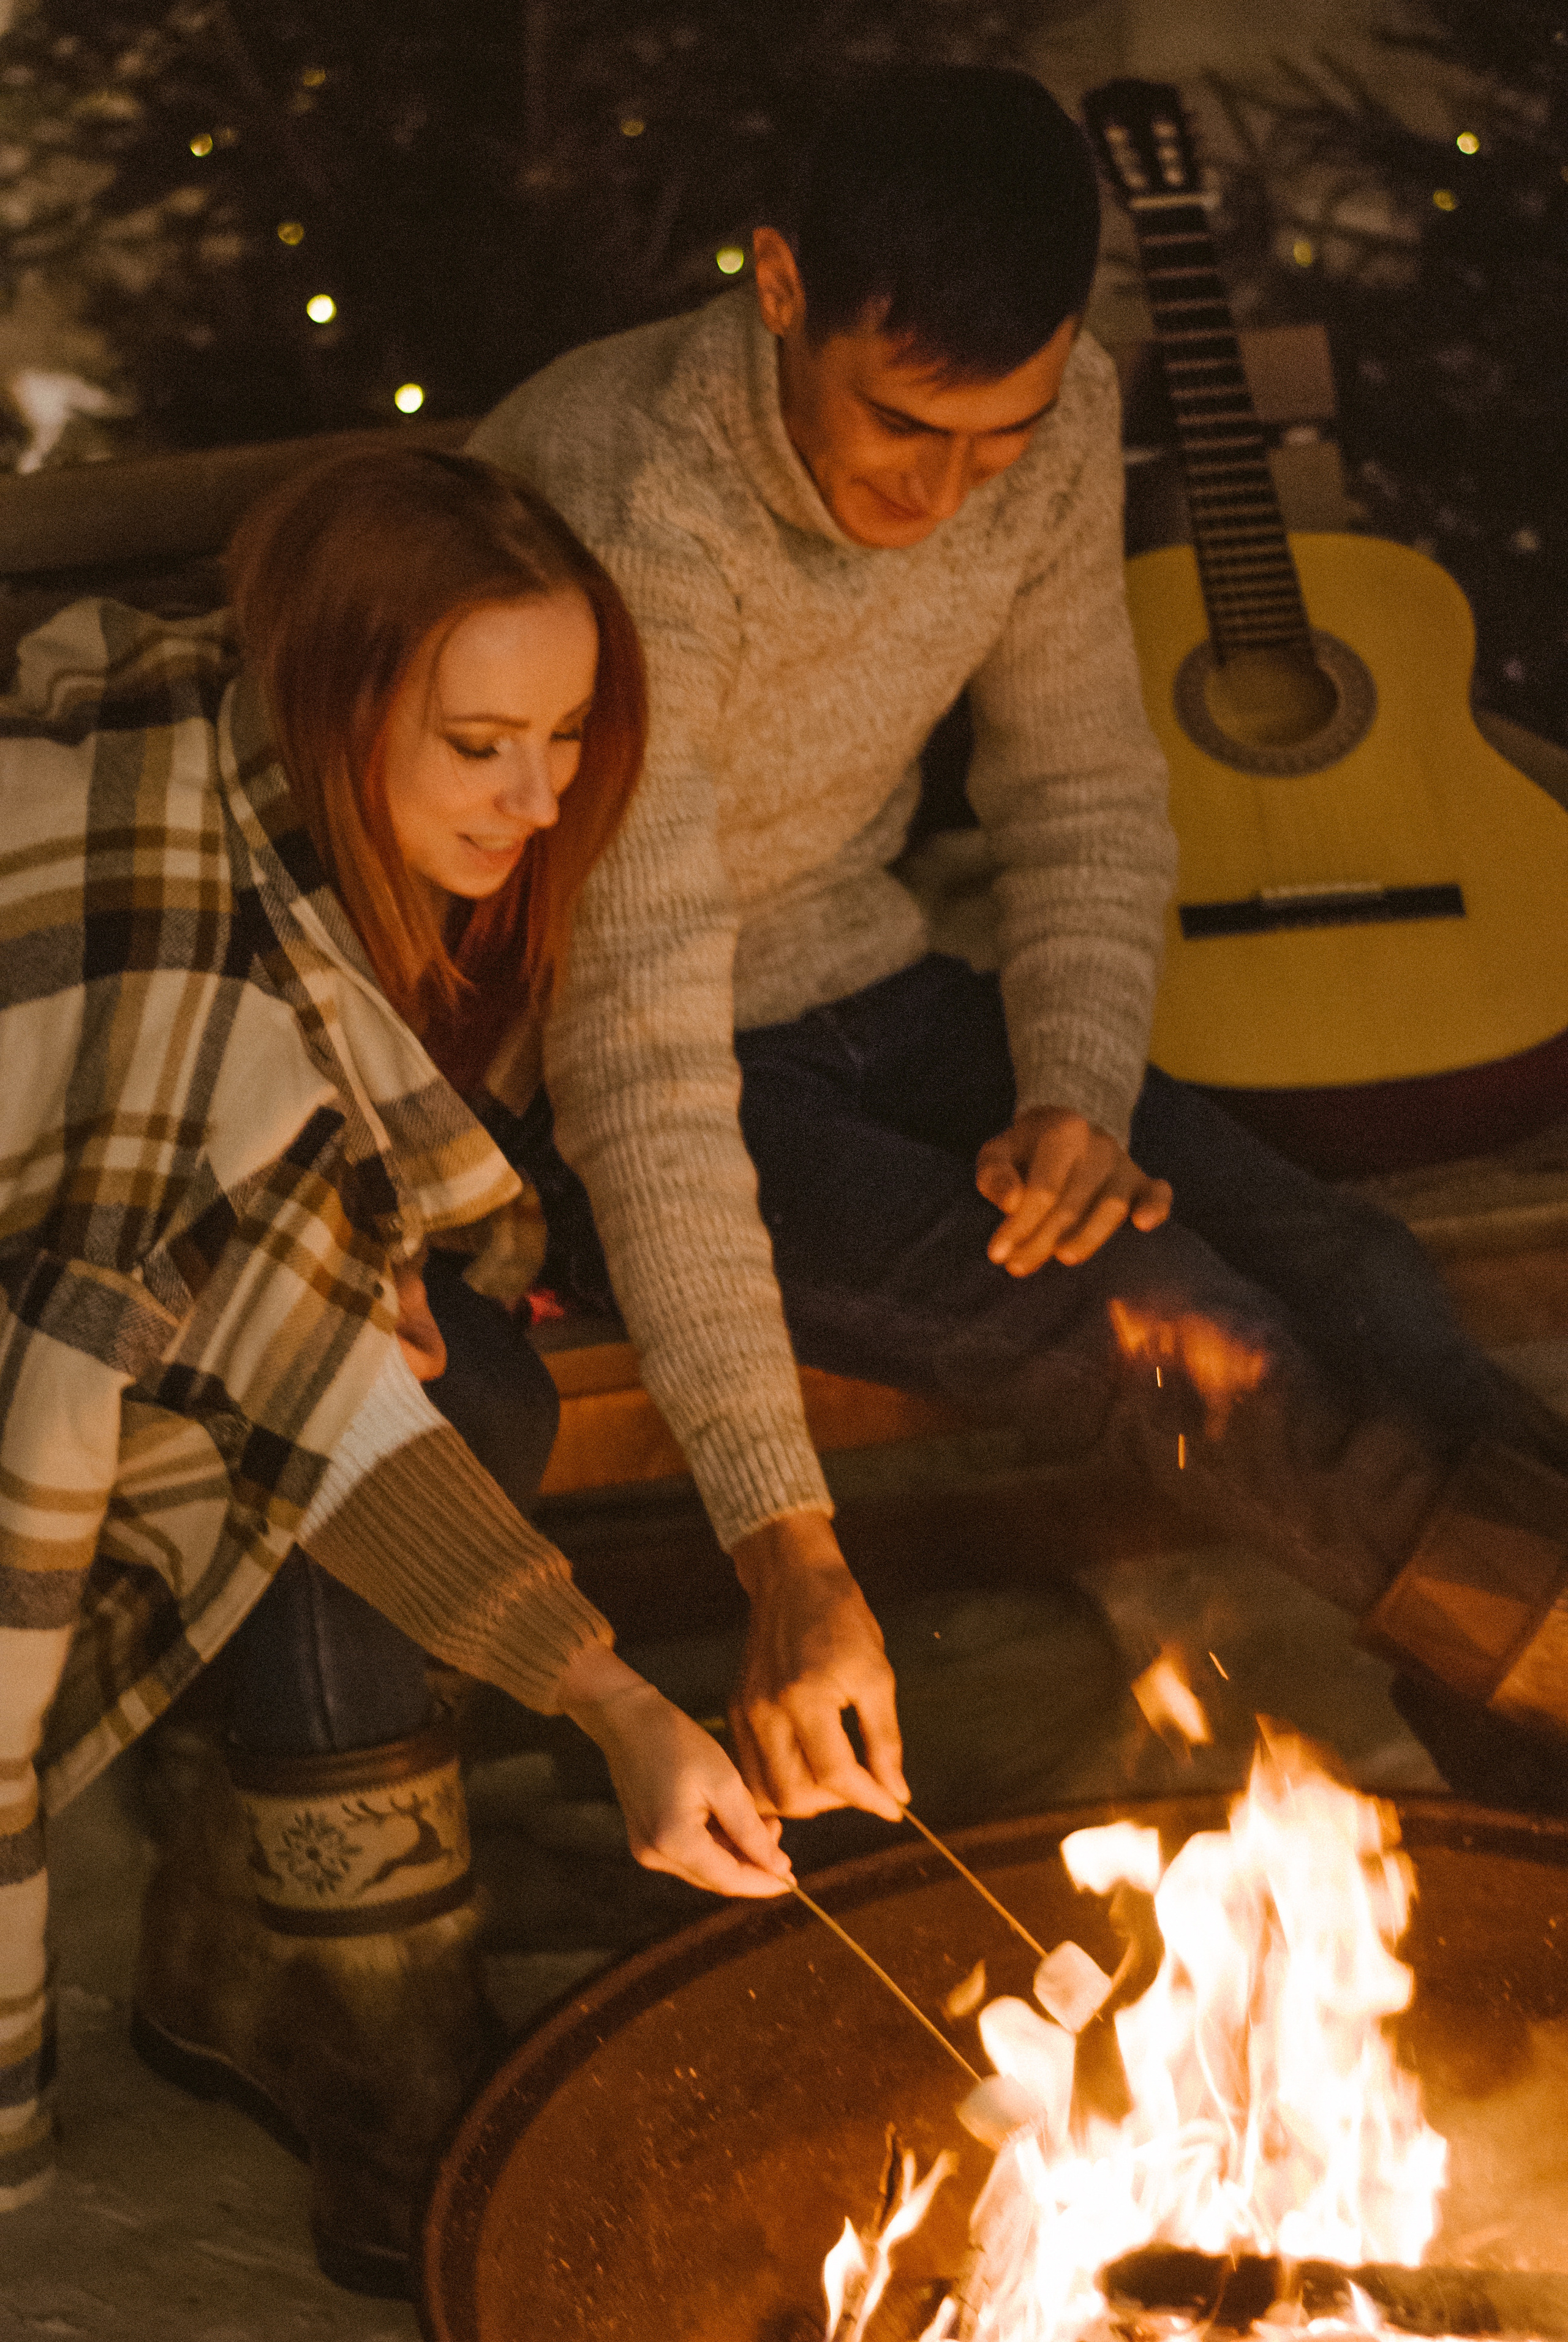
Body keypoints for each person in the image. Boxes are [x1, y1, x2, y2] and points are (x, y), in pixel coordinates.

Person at [467, 66, 1568, 1829]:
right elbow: (639, 1050)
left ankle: (1529, 1798)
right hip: (607, 1071)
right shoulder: (636, 499)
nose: (949, 489)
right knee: (1165, 1332)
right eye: (905, 424)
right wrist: (785, 1545)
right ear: (780, 285)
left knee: (1358, 1269)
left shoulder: (1053, 431)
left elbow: (1082, 795)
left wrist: (1076, 1093)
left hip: (876, 983)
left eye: (1004, 434)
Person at [0, 448, 792, 2295]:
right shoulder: (179, 908)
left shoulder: (322, 842)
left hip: (111, 1255)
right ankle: (380, 2021)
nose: (541, 797)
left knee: (471, 1388)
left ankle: (260, 1934)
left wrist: (352, 1254)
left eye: (571, 735)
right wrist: (617, 1705)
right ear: (337, 702)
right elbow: (309, 1375)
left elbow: (302, 1220)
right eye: (480, 743)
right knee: (382, 1417)